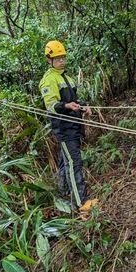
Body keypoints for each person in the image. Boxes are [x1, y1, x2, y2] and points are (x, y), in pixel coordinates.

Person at [39, 40, 97, 212]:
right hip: (64, 128)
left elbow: (74, 100)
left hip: (74, 125)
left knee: (65, 161)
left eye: (63, 57)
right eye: (58, 58)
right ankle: (81, 202)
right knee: (74, 163)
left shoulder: (68, 78)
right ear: (49, 60)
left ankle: (64, 191)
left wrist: (83, 106)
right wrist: (66, 106)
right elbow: (51, 105)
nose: (62, 61)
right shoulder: (48, 80)